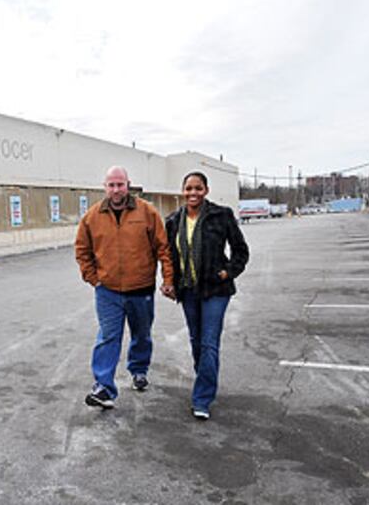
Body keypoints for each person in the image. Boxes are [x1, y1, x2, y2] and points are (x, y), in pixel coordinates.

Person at [75, 166, 175, 409]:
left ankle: (139, 370)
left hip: (141, 289)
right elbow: (82, 250)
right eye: (111, 185)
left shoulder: (147, 212)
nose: (116, 189)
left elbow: (164, 248)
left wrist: (168, 280)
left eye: (120, 184)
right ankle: (104, 388)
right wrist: (93, 278)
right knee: (108, 337)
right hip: (108, 291)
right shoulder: (92, 217)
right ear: (105, 187)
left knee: (141, 334)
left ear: (128, 185)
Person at [165, 171, 249, 420]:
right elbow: (169, 256)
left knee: (209, 343)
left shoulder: (221, 215)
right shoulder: (173, 220)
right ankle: (206, 378)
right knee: (196, 342)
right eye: (189, 189)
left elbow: (241, 251)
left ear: (206, 190)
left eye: (198, 188)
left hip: (216, 291)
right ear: (183, 191)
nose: (193, 193)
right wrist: (168, 282)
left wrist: (227, 273)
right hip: (189, 291)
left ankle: (202, 398)